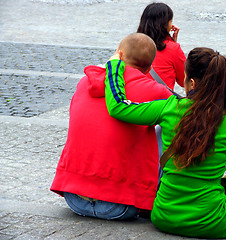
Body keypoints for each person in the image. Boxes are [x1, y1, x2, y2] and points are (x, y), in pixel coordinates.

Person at [104, 47, 226, 238]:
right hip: (212, 222)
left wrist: (114, 66)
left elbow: (119, 107)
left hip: (164, 216)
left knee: (161, 130)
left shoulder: (170, 108)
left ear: (192, 83)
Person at [50, 33, 172, 220]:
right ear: (149, 67)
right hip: (122, 205)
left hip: (73, 197)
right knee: (168, 125)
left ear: (119, 55)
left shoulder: (85, 82)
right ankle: (157, 195)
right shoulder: (158, 92)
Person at [137, 2, 186, 90]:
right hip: (162, 101)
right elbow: (184, 81)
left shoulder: (131, 45)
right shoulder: (173, 49)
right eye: (171, 21)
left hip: (135, 101)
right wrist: (173, 43)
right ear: (165, 25)